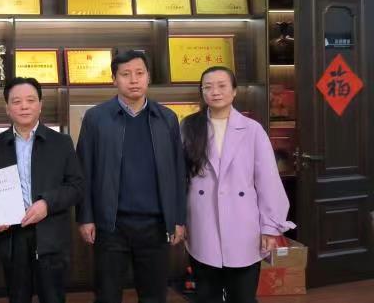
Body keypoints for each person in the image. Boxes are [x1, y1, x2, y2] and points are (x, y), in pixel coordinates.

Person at [76, 50, 186, 303]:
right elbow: (84, 170)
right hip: (110, 224)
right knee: (107, 295)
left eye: (139, 73)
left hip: (156, 224)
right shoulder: (96, 118)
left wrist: (178, 218)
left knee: (154, 296)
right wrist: (85, 217)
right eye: (125, 74)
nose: (133, 80)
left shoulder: (167, 118)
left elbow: (178, 172)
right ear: (114, 79)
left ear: (148, 77)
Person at [181, 66, 294, 303]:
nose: (215, 92)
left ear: (234, 91)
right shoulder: (189, 127)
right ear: (202, 92)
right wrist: (179, 220)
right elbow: (180, 178)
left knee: (242, 296)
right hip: (202, 222)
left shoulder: (252, 130)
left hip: (243, 224)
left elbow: (268, 181)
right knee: (206, 295)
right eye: (208, 87)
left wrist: (270, 228)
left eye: (222, 86)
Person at [0, 77, 83, 303]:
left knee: (53, 297)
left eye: (30, 100)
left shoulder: (61, 142)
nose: (24, 106)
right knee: (17, 297)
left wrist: (47, 203)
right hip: (12, 236)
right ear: (7, 108)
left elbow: (76, 187)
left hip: (51, 234)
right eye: (16, 102)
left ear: (40, 105)